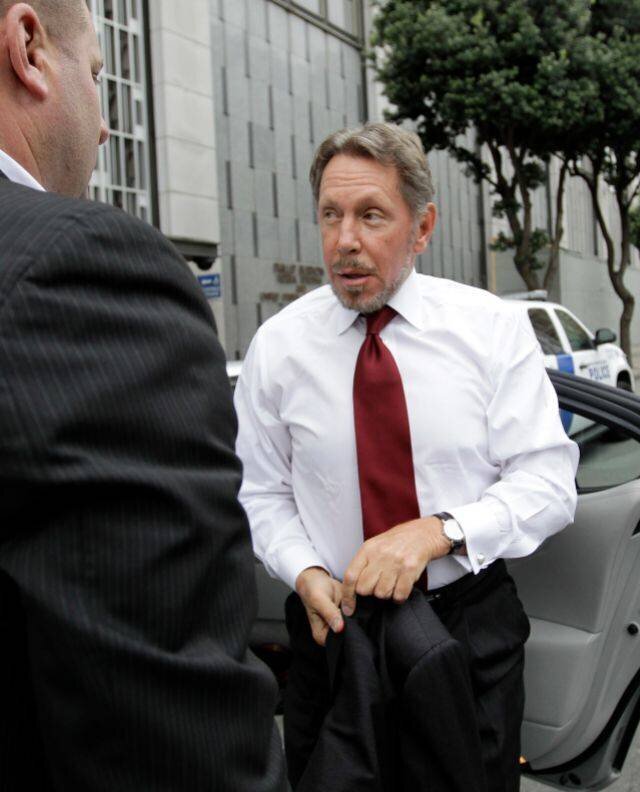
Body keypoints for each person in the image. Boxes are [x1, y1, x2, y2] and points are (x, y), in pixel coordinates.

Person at [235, 122, 579, 791]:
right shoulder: (278, 348)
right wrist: (303, 570)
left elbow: (548, 480)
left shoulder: (490, 330)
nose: (345, 240)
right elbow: (260, 491)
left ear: (422, 228)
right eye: (330, 215)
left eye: (371, 216)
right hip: (332, 633)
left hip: (465, 633)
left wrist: (439, 532)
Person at [0, 2, 286, 790]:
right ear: (29, 47)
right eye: (97, 75)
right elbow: (173, 737)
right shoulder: (75, 268)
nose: (103, 128)